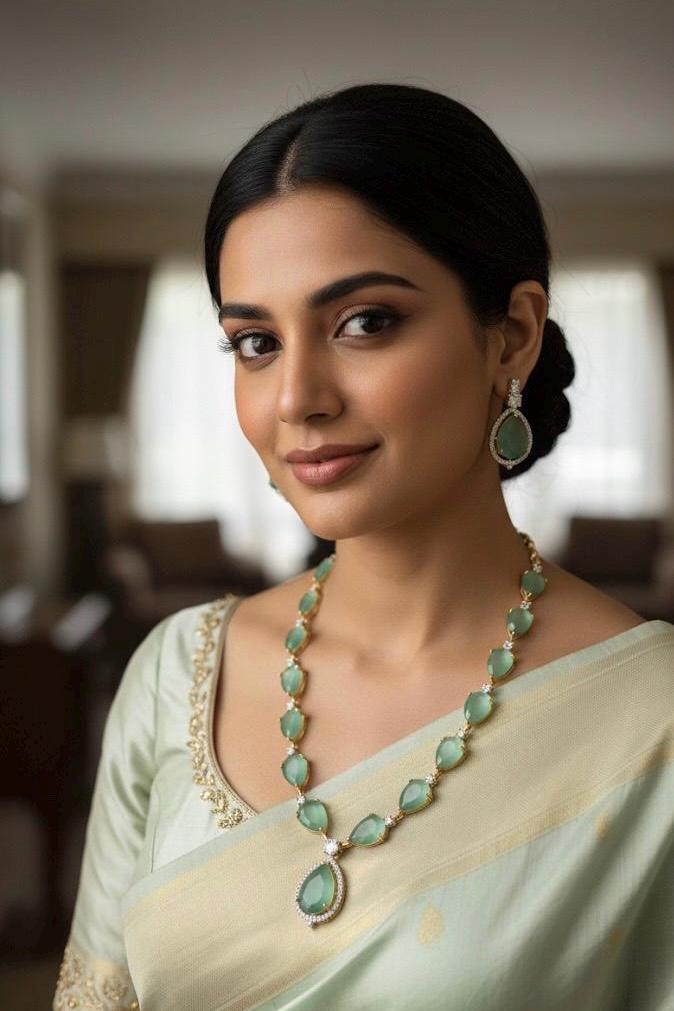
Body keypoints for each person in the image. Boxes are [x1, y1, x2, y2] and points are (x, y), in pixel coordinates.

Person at [53, 83, 674, 1010]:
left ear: (512, 335)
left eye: (365, 322)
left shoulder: (651, 721)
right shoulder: (176, 675)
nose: (297, 396)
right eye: (255, 341)